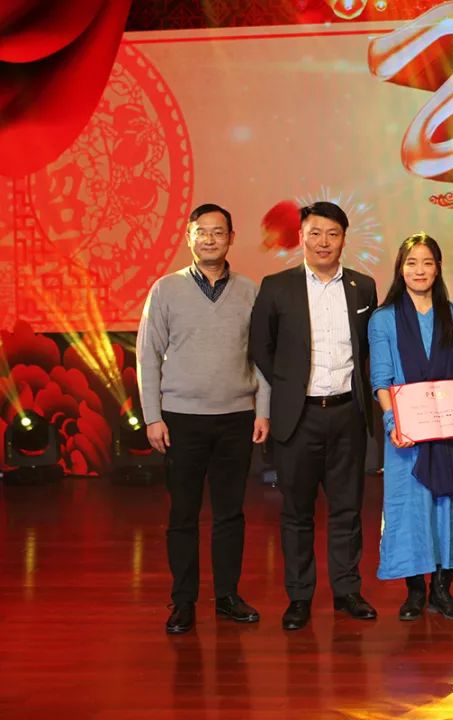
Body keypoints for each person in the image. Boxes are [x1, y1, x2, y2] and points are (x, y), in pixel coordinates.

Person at [136, 203, 270, 635]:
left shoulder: (250, 291)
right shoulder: (165, 289)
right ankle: (183, 601)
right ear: (188, 237)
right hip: (181, 419)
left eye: (218, 232)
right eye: (202, 231)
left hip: (236, 418)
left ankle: (228, 596)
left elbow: (262, 358)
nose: (210, 239)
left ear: (231, 238)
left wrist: (262, 410)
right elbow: (147, 355)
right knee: (183, 514)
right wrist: (153, 417)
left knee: (230, 513)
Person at [250, 201, 379, 630]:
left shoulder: (363, 287)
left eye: (333, 234)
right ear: (301, 237)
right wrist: (287, 386)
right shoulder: (276, 286)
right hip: (298, 416)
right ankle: (299, 596)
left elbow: (368, 348)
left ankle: (347, 591)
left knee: (347, 509)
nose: (324, 242)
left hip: (347, 414)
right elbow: (261, 347)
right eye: (315, 233)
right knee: (296, 512)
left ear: (344, 239)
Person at [368, 233, 453, 621]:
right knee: (409, 510)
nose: (419, 270)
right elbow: (381, 379)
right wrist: (393, 423)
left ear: (438, 268)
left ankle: (442, 590)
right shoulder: (383, 319)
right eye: (411, 263)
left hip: (451, 432)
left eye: (427, 263)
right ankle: (415, 591)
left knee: (450, 509)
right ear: (400, 269)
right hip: (406, 435)